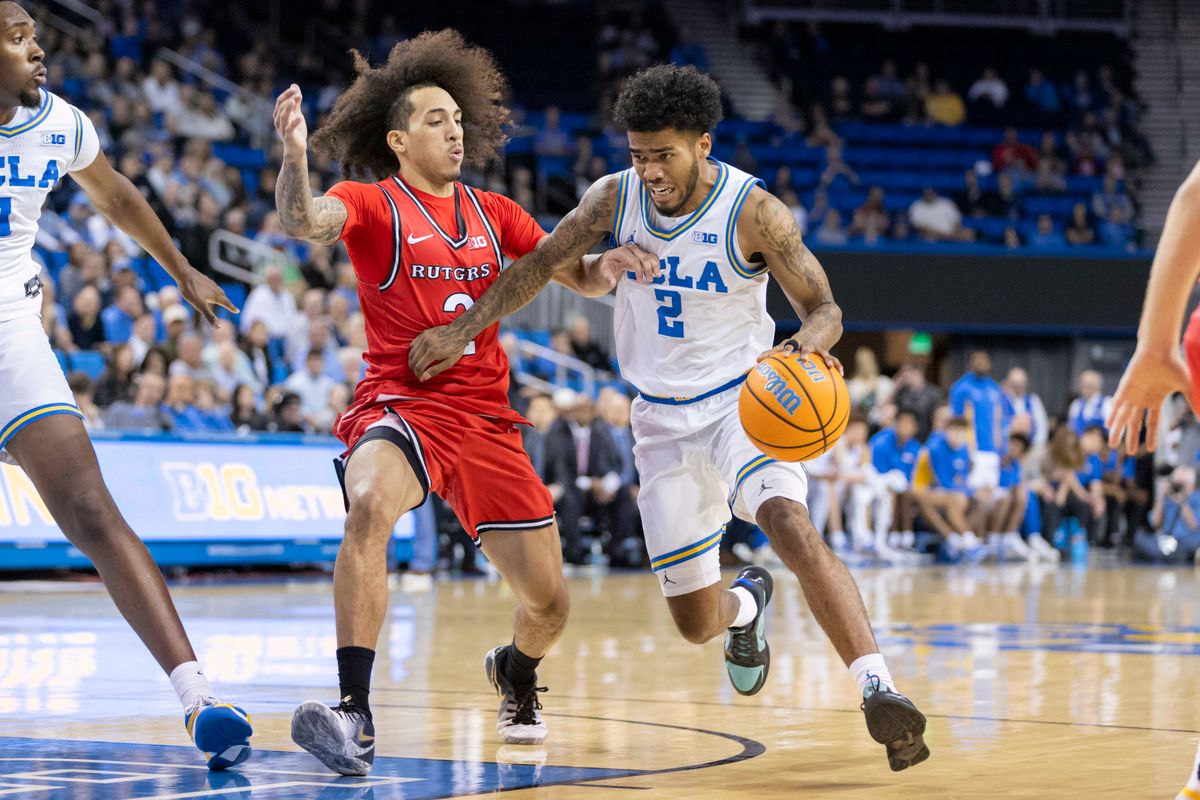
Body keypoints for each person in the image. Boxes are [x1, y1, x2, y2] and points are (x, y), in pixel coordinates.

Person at [409, 63, 929, 772]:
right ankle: (746, 607)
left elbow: (826, 307)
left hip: (745, 403)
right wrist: (465, 326)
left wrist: (807, 345)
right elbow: (538, 264)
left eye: (664, 154)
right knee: (693, 626)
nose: (650, 170)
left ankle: (879, 690)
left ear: (704, 144)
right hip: (657, 420)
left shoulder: (754, 211)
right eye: (638, 155)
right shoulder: (611, 199)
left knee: (791, 525)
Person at [271, 30, 643, 775]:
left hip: (485, 423)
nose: (455, 128)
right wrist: (293, 158)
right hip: (402, 403)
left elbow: (582, 276)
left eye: (458, 119)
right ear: (400, 139)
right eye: (437, 119)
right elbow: (303, 223)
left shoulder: (496, 212)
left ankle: (516, 671)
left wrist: (616, 263)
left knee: (550, 605)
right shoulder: (372, 204)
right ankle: (355, 715)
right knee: (369, 503)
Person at [0, 3, 249, 769]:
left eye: (36, 32)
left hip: (10, 327)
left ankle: (198, 698)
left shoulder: (60, 124)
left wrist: (183, 271)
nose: (39, 47)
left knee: (90, 508)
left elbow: (118, 199)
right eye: (17, 37)